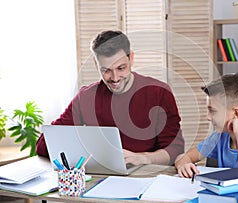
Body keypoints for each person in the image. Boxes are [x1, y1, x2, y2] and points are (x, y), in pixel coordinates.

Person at [36, 30, 184, 165]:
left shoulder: (159, 92)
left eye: (121, 68)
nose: (115, 78)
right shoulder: (86, 97)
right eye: (106, 70)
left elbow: (175, 149)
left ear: (131, 58)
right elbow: (44, 144)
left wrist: (144, 158)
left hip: (147, 176)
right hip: (101, 180)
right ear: (96, 64)